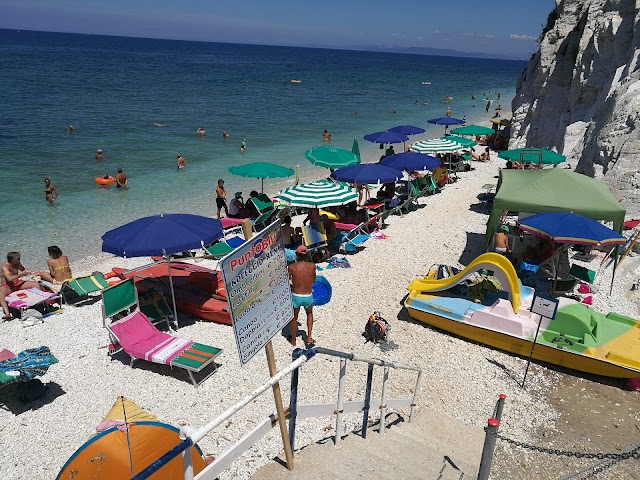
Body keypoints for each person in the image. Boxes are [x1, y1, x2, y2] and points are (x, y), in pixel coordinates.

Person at [1, 252, 44, 320]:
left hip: (17, 283)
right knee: (1, 294)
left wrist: (31, 272)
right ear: (13, 260)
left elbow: (23, 269)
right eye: (18, 258)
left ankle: (39, 304)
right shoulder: (5, 267)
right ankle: (7, 313)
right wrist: (22, 274)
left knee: (36, 285)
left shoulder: (17, 263)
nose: (19, 259)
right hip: (7, 285)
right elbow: (9, 278)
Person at [287, 245, 316, 346]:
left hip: (296, 295)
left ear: (296, 255)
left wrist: (292, 286)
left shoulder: (292, 267)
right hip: (308, 295)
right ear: (307, 255)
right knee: (309, 314)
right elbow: (313, 280)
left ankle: (294, 339)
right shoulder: (312, 266)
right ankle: (309, 337)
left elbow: (286, 281)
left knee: (294, 317)